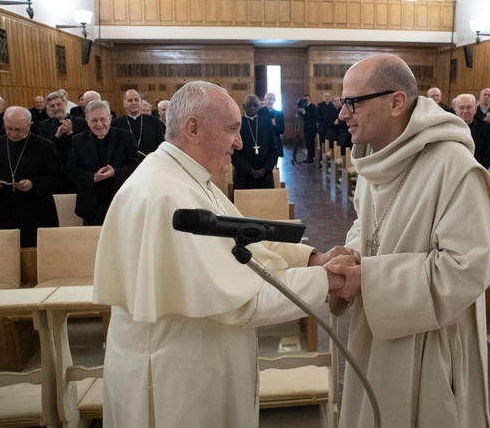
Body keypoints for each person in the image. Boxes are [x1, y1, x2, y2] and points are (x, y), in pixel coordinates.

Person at [92, 81, 349, 428]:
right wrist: (328, 280)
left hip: (195, 363)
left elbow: (246, 234)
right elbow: (239, 301)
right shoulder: (168, 193)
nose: (239, 142)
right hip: (177, 380)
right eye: (231, 129)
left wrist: (311, 259)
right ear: (193, 128)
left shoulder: (186, 177)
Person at [325, 54, 490, 427]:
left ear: (396, 102)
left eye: (353, 102)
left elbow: (467, 270)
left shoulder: (454, 167)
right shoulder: (375, 157)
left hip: (428, 340)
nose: (343, 114)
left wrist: (368, 278)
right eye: (343, 103)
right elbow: (366, 224)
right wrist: (352, 252)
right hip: (376, 326)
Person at [0, 106, 60, 247]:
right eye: (8, 128)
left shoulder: (45, 146)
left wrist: (33, 184)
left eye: (18, 129)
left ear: (30, 125)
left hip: (36, 209)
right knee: (4, 251)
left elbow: (58, 178)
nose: (13, 133)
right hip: (3, 208)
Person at [67, 101, 139, 226]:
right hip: (91, 204)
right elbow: (71, 169)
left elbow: (135, 166)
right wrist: (92, 177)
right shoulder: (78, 140)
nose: (99, 124)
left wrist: (115, 173)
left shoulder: (126, 137)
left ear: (110, 118)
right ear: (87, 120)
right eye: (94, 120)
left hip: (120, 201)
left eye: (103, 119)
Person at [38, 91, 88, 193]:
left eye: (59, 104)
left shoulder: (81, 123)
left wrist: (70, 133)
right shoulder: (44, 125)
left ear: (65, 104)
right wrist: (57, 136)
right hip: (56, 173)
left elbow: (85, 146)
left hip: (77, 171)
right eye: (52, 106)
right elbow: (42, 148)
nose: (56, 108)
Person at [232, 94, 278, 190]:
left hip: (265, 174)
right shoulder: (237, 125)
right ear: (244, 106)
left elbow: (274, 149)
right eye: (249, 105)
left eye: (255, 105)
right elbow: (233, 152)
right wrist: (249, 170)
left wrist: (265, 169)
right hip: (244, 175)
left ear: (259, 106)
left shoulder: (266, 123)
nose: (252, 108)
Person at [111, 89, 165, 160]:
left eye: (136, 100)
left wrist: (154, 154)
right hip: (126, 165)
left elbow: (161, 144)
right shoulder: (115, 124)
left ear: (140, 102)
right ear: (124, 104)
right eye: (130, 100)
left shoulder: (154, 122)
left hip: (148, 162)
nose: (134, 103)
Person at [454, 93, 490, 170]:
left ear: (475, 110)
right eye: (461, 108)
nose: (465, 111)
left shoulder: (485, 127)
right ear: (456, 110)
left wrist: (476, 171)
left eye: (469, 107)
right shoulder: (449, 127)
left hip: (478, 170)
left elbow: (488, 154)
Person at [257, 92, 285, 157]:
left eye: (273, 99)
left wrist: (275, 125)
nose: (271, 101)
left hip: (275, 143)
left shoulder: (280, 114)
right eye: (269, 99)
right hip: (262, 142)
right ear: (265, 100)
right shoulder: (259, 112)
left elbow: (282, 130)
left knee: (275, 164)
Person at [296, 94, 317, 163]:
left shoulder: (313, 107)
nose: (306, 100)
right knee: (307, 143)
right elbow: (303, 117)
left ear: (310, 99)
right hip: (306, 127)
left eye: (307, 99)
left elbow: (312, 117)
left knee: (311, 143)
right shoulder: (304, 106)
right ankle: (308, 157)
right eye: (304, 99)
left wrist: (304, 112)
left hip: (312, 128)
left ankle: (311, 157)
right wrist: (300, 112)